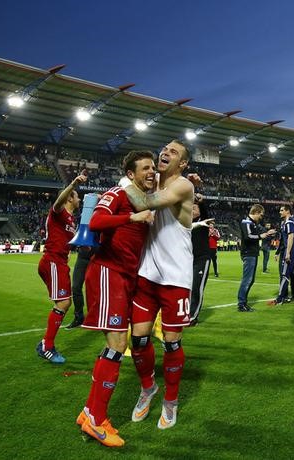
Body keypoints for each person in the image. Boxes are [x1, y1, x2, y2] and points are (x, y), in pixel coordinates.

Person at [76, 150, 155, 447]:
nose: (151, 172)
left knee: (113, 347)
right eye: (145, 168)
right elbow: (96, 222)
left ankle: (89, 412)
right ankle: (97, 421)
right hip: (109, 272)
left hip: (124, 276)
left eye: (152, 167)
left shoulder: (142, 197)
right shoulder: (118, 193)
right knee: (117, 345)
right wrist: (132, 216)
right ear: (131, 173)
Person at [121, 139, 198, 431]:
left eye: (174, 152)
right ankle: (148, 388)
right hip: (147, 275)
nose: (166, 152)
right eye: (165, 149)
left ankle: (171, 401)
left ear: (183, 163)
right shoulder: (151, 183)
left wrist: (124, 180)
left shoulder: (184, 186)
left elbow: (143, 203)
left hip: (176, 279)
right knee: (138, 339)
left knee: (171, 342)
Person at [35, 172, 86, 364]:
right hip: (52, 261)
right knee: (64, 303)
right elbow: (58, 203)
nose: (78, 198)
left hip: (60, 263)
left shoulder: (71, 220)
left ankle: (46, 344)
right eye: (76, 195)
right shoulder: (58, 212)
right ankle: (47, 346)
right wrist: (72, 184)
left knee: (65, 303)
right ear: (70, 198)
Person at [238, 204, 276, 312]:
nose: (261, 217)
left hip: (252, 253)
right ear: (256, 212)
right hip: (248, 253)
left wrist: (267, 233)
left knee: (251, 279)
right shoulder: (246, 222)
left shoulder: (252, 223)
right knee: (247, 279)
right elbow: (248, 236)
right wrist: (261, 236)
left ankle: (242, 302)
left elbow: (259, 233)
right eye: (261, 215)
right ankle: (241, 304)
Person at [189, 197, 215, 326]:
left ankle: (193, 317)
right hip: (187, 260)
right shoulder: (185, 221)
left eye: (194, 208)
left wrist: (201, 202)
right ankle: (184, 314)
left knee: (196, 288)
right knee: (186, 289)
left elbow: (204, 210)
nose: (191, 210)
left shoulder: (203, 220)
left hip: (201, 259)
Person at [269, 205, 294, 306]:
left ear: (287, 211)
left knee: (284, 275)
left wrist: (287, 253)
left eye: (282, 210)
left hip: (290, 251)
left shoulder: (289, 222)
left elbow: (290, 237)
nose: (280, 212)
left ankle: (280, 298)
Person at [66, 244, 95, 329]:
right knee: (76, 287)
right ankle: (79, 317)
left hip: (95, 257)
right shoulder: (81, 229)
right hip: (82, 257)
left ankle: (95, 317)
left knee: (93, 290)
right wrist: (69, 250)